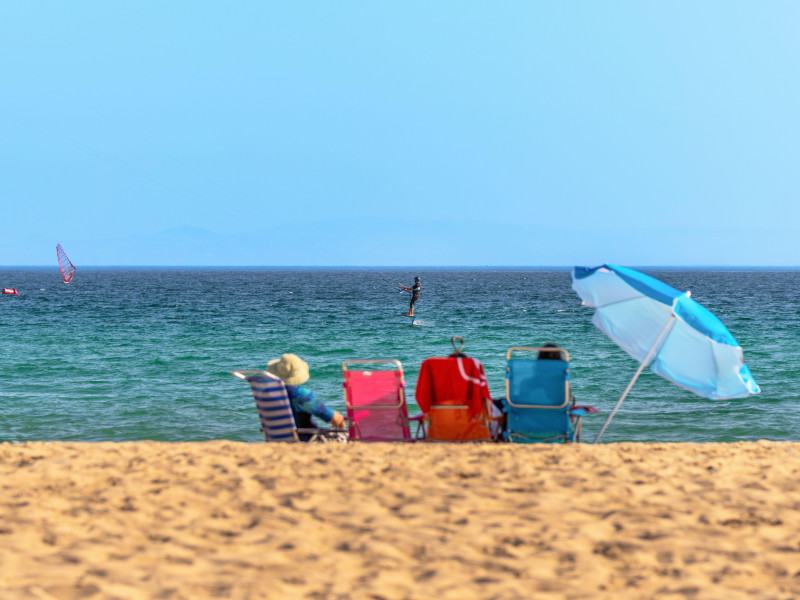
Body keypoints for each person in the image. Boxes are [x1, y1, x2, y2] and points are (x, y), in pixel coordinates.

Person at [267, 353, 346, 440]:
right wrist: (340, 421)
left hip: (275, 438)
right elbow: (335, 418)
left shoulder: (267, 392)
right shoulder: (300, 395)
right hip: (304, 439)